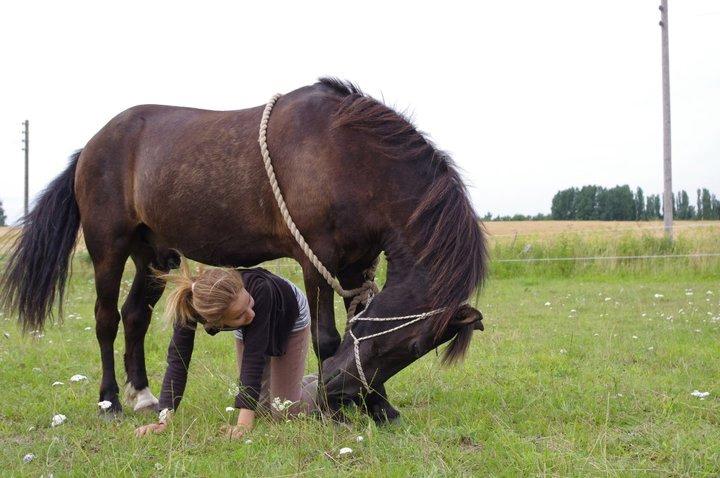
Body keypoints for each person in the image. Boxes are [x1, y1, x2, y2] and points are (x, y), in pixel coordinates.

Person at [134, 259, 317, 438]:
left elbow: (254, 358)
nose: (250, 313)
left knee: (284, 411)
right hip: (248, 329)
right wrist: (163, 420)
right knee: (260, 408)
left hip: (288, 314)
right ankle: (292, 383)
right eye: (239, 315)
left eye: (248, 302)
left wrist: (243, 426)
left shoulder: (257, 294)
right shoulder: (190, 307)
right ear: (216, 323)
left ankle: (327, 379)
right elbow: (177, 362)